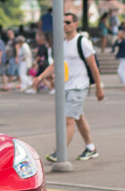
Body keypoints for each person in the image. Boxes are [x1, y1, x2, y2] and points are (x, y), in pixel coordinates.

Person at [34, 13, 104, 162]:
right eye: (63, 22)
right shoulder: (63, 44)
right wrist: (41, 77)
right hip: (67, 86)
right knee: (78, 117)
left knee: (69, 119)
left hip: (79, 86)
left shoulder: (82, 42)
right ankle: (91, 147)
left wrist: (99, 87)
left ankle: (60, 152)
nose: (64, 25)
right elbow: (55, 64)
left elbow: (94, 66)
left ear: (75, 24)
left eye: (68, 22)